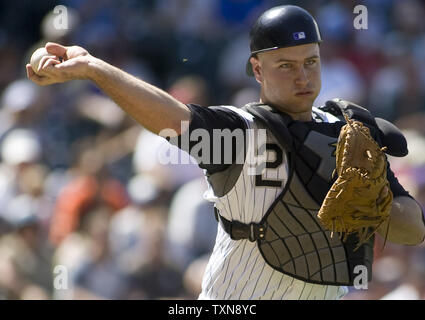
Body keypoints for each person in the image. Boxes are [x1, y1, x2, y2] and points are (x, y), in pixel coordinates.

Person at [26, 5, 425, 300]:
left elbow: (413, 229)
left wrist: (373, 202)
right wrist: (96, 68)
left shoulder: (348, 132)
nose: (303, 76)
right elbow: (171, 118)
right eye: (285, 65)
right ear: (257, 70)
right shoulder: (241, 131)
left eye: (311, 62)